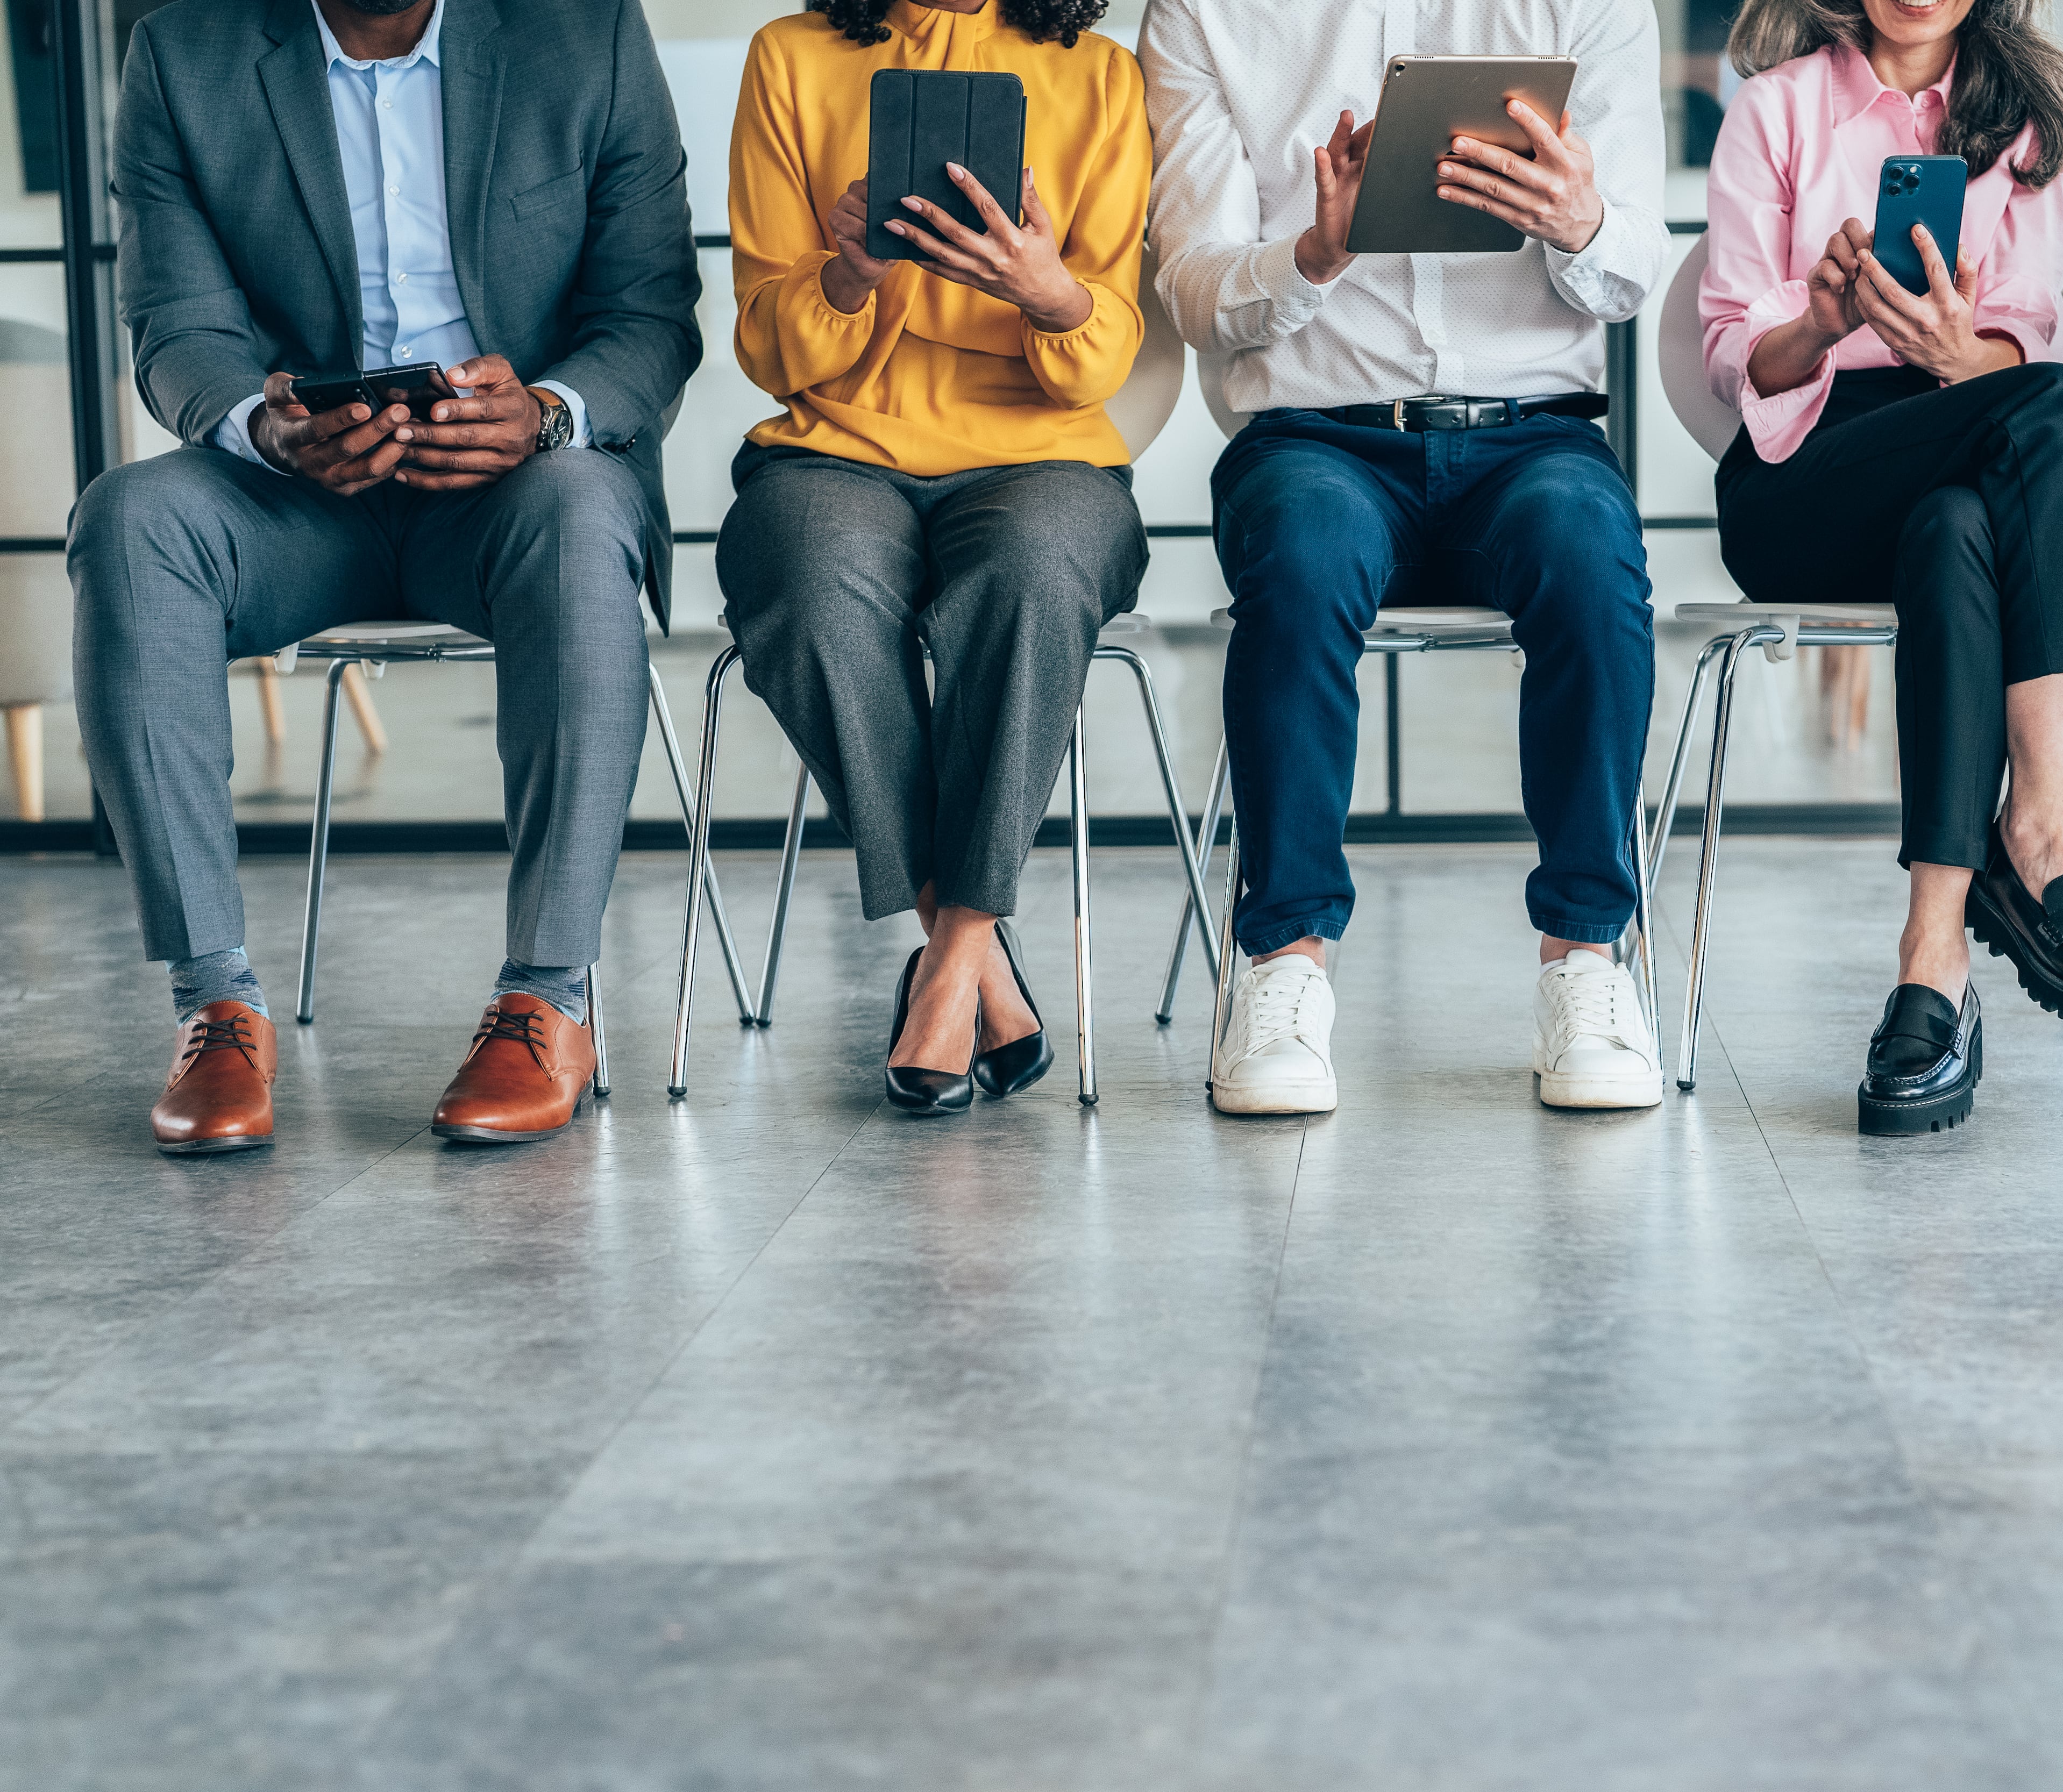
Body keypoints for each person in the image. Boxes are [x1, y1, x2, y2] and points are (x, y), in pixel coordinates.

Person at [70, 0, 702, 1155]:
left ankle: (547, 1000)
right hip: (301, 495)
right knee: (130, 517)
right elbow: (174, 323)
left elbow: (650, 314)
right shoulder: (182, 54)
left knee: (578, 503)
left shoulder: (585, 36)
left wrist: (546, 414)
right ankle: (214, 1002)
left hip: (514, 490)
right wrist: (265, 430)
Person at [1142, 0, 1670, 1116]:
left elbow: (1629, 277)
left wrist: (1578, 220)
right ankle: (1284, 965)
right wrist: (1315, 253)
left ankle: (1585, 958)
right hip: (1317, 435)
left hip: (1531, 433)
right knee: (1299, 558)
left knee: (1590, 554)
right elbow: (1190, 286)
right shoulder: (1204, 13)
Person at [1699, 0, 2063, 1137]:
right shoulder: (1776, 109)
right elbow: (1726, 347)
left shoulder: (2040, 116)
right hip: (1803, 469)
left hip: (1963, 433)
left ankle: (1931, 958)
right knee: (2058, 402)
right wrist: (1817, 322)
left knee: (1959, 522)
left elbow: (2026, 327)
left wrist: (1958, 353)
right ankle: (2045, 825)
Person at [718, 0, 1151, 1117]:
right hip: (834, 446)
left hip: (1043, 453)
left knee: (1037, 571)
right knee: (805, 586)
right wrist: (848, 276)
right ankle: (976, 963)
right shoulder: (791, 58)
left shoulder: (1099, 77)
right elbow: (766, 345)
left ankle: (952, 958)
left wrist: (1045, 290)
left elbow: (1104, 346)